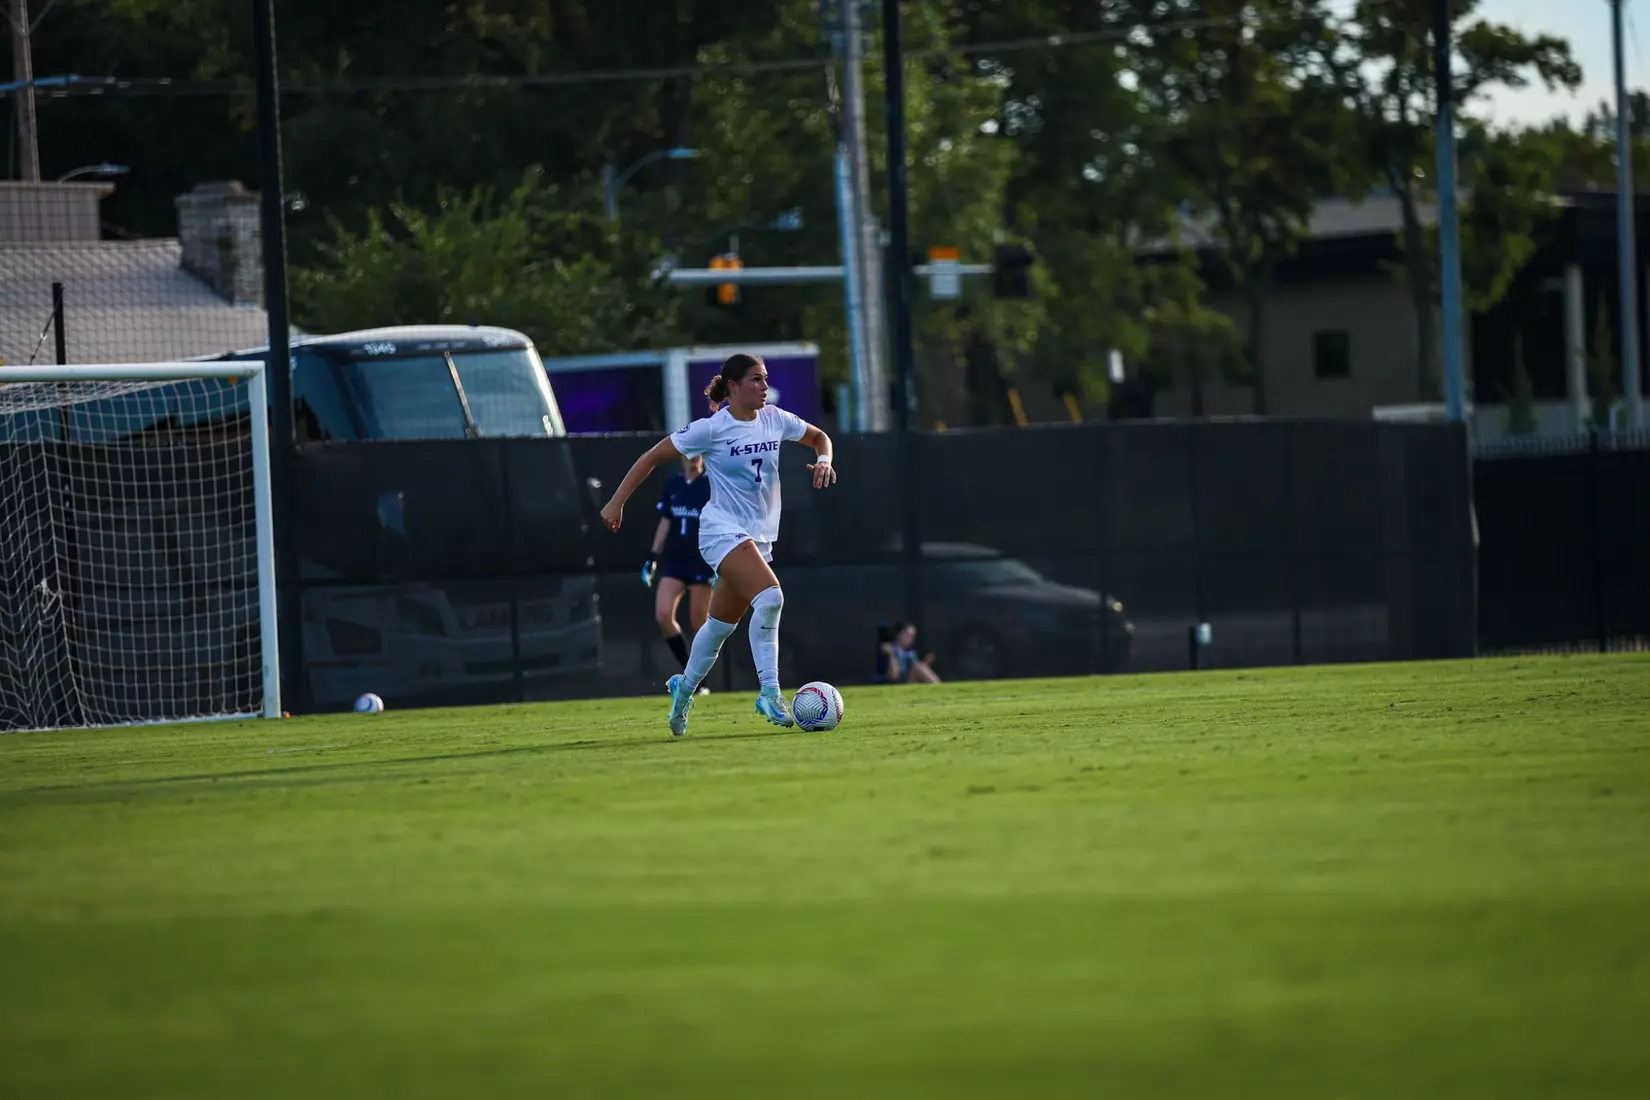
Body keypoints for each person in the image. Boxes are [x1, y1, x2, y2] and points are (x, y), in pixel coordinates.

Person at [600, 352, 836, 736]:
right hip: (720, 531)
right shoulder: (711, 429)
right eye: (756, 379)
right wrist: (616, 502)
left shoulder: (775, 418)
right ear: (733, 386)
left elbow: (819, 437)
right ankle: (770, 693)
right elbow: (652, 457)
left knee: (719, 626)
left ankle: (683, 690)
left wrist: (824, 459)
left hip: (756, 538)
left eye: (765, 378)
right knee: (771, 598)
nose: (764, 386)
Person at [643, 454, 713, 691]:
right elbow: (666, 521)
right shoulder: (673, 483)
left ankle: (700, 682)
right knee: (663, 614)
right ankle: (689, 674)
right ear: (681, 457)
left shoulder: (710, 485)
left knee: (699, 625)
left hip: (702, 562)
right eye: (689, 455)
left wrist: (719, 562)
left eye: (698, 455)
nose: (694, 460)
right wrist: (653, 556)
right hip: (675, 562)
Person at [875, 621, 941, 684]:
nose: (911, 639)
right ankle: (939, 686)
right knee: (918, 667)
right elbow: (894, 676)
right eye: (908, 635)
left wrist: (925, 664)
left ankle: (938, 685)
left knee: (920, 666)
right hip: (896, 683)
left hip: (910, 681)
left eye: (913, 636)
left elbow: (915, 670)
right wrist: (891, 655)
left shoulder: (910, 653)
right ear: (899, 634)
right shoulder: (889, 648)